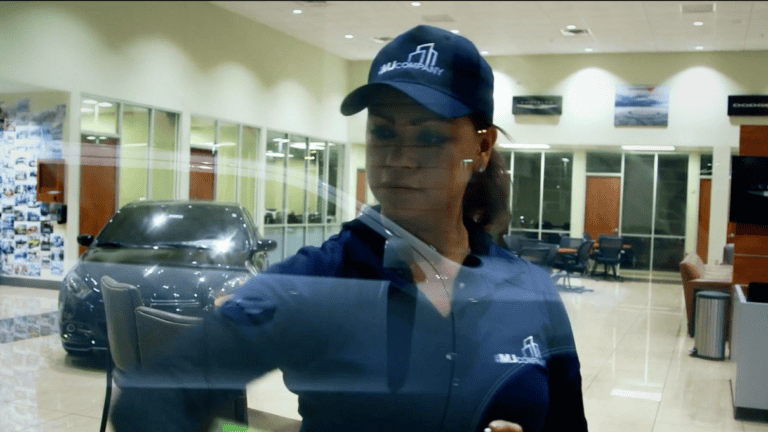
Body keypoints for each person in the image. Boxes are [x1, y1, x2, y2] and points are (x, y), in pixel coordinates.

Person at [111, 25, 587, 432]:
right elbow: (150, 400)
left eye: (428, 136)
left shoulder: (528, 290)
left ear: (481, 148)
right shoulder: (318, 282)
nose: (399, 159)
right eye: (383, 132)